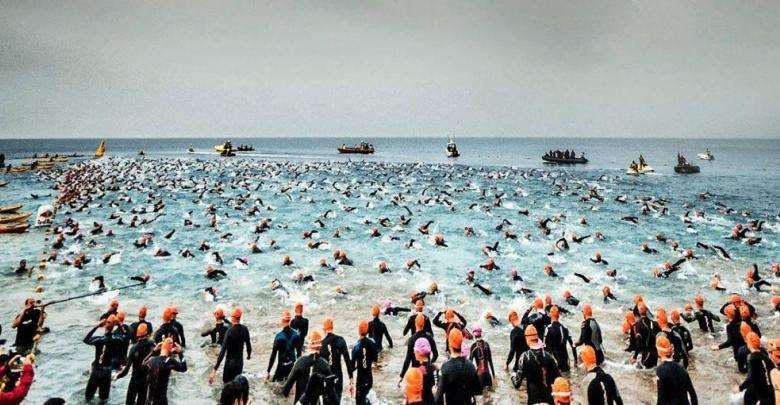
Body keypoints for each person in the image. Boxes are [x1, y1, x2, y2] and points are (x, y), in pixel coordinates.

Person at [282, 330, 337, 405]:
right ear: (320, 346)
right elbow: (331, 391)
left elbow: (286, 388)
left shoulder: (300, 362)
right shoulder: (324, 364)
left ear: (309, 345)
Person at [83, 315, 127, 402]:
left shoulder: (99, 340)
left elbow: (86, 340)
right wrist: (120, 325)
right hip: (107, 371)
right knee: (103, 399)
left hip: (96, 370)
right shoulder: (116, 340)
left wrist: (96, 327)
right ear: (114, 326)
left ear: (104, 326)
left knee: (88, 397)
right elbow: (125, 336)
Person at [514, 325, 560, 404]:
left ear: (526, 339)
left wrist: (512, 376)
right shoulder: (548, 356)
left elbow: (517, 383)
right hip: (549, 399)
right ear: (537, 337)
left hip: (534, 400)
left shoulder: (525, 357)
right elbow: (558, 380)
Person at [434, 329, 482, 404]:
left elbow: (438, 398)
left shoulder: (445, 367)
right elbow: (477, 391)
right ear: (461, 343)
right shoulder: (471, 366)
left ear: (450, 344)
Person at [116, 323, 155, 405]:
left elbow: (126, 370)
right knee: (141, 402)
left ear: (137, 334)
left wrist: (117, 376)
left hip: (135, 380)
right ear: (147, 333)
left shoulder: (134, 348)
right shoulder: (152, 345)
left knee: (129, 402)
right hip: (145, 380)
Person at [210, 308, 251, 384]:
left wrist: (215, 369)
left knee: (226, 387)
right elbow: (248, 345)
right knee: (237, 386)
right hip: (239, 364)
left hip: (229, 365)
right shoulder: (245, 329)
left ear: (232, 318)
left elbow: (222, 352)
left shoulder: (229, 331)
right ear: (240, 317)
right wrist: (248, 355)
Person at [734, 332, 775, 405]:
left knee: (748, 397)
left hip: (761, 393)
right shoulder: (765, 355)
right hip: (771, 392)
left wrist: (740, 388)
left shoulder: (752, 358)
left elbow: (750, 378)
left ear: (749, 343)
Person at [144, 337, 188, 405]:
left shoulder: (152, 359)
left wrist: (154, 351)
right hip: (161, 401)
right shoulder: (169, 361)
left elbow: (143, 363)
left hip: (149, 401)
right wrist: (180, 353)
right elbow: (184, 368)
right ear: (170, 347)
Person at [656, 335, 698, 405]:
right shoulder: (682, 368)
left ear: (659, 351)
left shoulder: (660, 370)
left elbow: (661, 399)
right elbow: (692, 394)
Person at [320, 317, 353, 402]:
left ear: (323, 329)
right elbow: (348, 361)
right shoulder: (340, 340)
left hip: (326, 380)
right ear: (332, 327)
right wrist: (351, 380)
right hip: (338, 378)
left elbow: (318, 367)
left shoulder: (321, 345)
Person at [266, 309, 302, 382]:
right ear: (289, 320)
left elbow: (273, 355)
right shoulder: (296, 335)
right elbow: (299, 353)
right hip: (292, 365)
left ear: (282, 320)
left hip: (281, 366)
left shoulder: (279, 337)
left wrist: (268, 371)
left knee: (275, 388)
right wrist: (298, 368)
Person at [400, 314, 438, 381]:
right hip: (427, 370)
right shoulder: (429, 337)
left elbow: (407, 360)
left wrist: (402, 376)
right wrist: (430, 363)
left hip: (416, 371)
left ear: (415, 323)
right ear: (424, 324)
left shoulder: (412, 339)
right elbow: (436, 355)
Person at [351, 319, 378, 405]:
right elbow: (375, 359)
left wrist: (357, 366)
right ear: (367, 330)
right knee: (367, 398)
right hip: (369, 378)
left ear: (358, 331)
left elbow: (352, 367)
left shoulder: (355, 347)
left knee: (359, 401)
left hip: (360, 379)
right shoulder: (372, 343)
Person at [544, 306, 577, 372]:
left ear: (550, 314)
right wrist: (575, 360)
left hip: (554, 360)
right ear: (559, 314)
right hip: (566, 359)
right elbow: (573, 345)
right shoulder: (565, 328)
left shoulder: (548, 328)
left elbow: (544, 346)